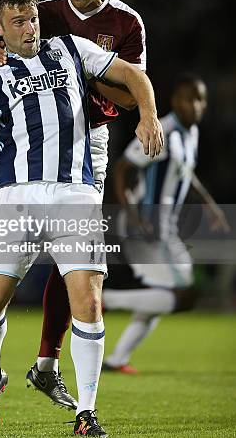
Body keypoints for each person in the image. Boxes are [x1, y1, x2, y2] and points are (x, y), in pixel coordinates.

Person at [0, 0, 163, 435]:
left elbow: (133, 74)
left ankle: (87, 413)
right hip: (18, 199)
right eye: (19, 22)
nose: (31, 27)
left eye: (33, 17)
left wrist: (148, 116)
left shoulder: (72, 48)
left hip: (75, 194)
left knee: (89, 302)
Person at [101, 73, 229, 373]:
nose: (194, 106)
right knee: (184, 295)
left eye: (200, 100)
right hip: (148, 226)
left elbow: (187, 173)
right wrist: (133, 215)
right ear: (175, 101)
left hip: (164, 228)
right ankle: (104, 299)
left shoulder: (190, 133)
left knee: (165, 294)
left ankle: (118, 358)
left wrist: (209, 205)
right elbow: (122, 168)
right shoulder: (165, 130)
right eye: (188, 99)